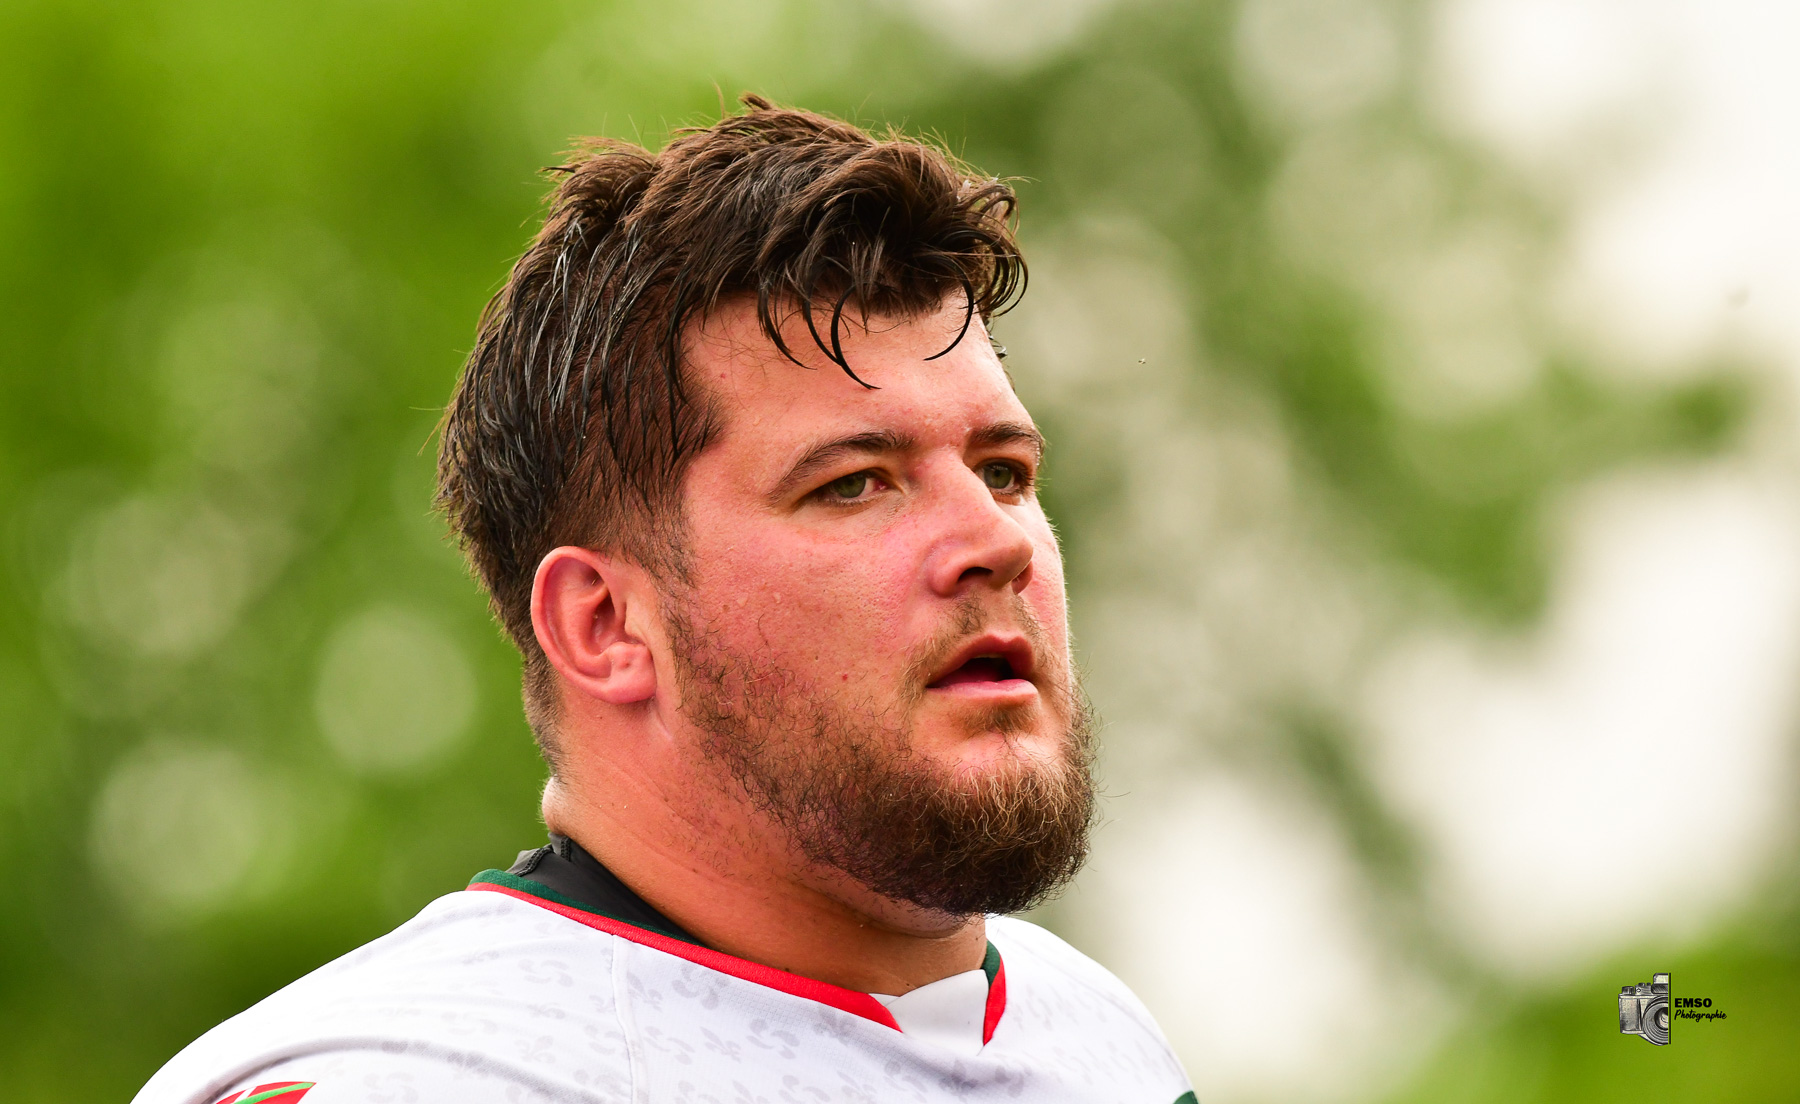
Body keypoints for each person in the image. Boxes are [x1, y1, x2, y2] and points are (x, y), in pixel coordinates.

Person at [134, 98, 1196, 1104]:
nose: (995, 544)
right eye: (854, 482)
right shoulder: (419, 1076)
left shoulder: (1100, 1041)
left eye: (1004, 470)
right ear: (603, 627)